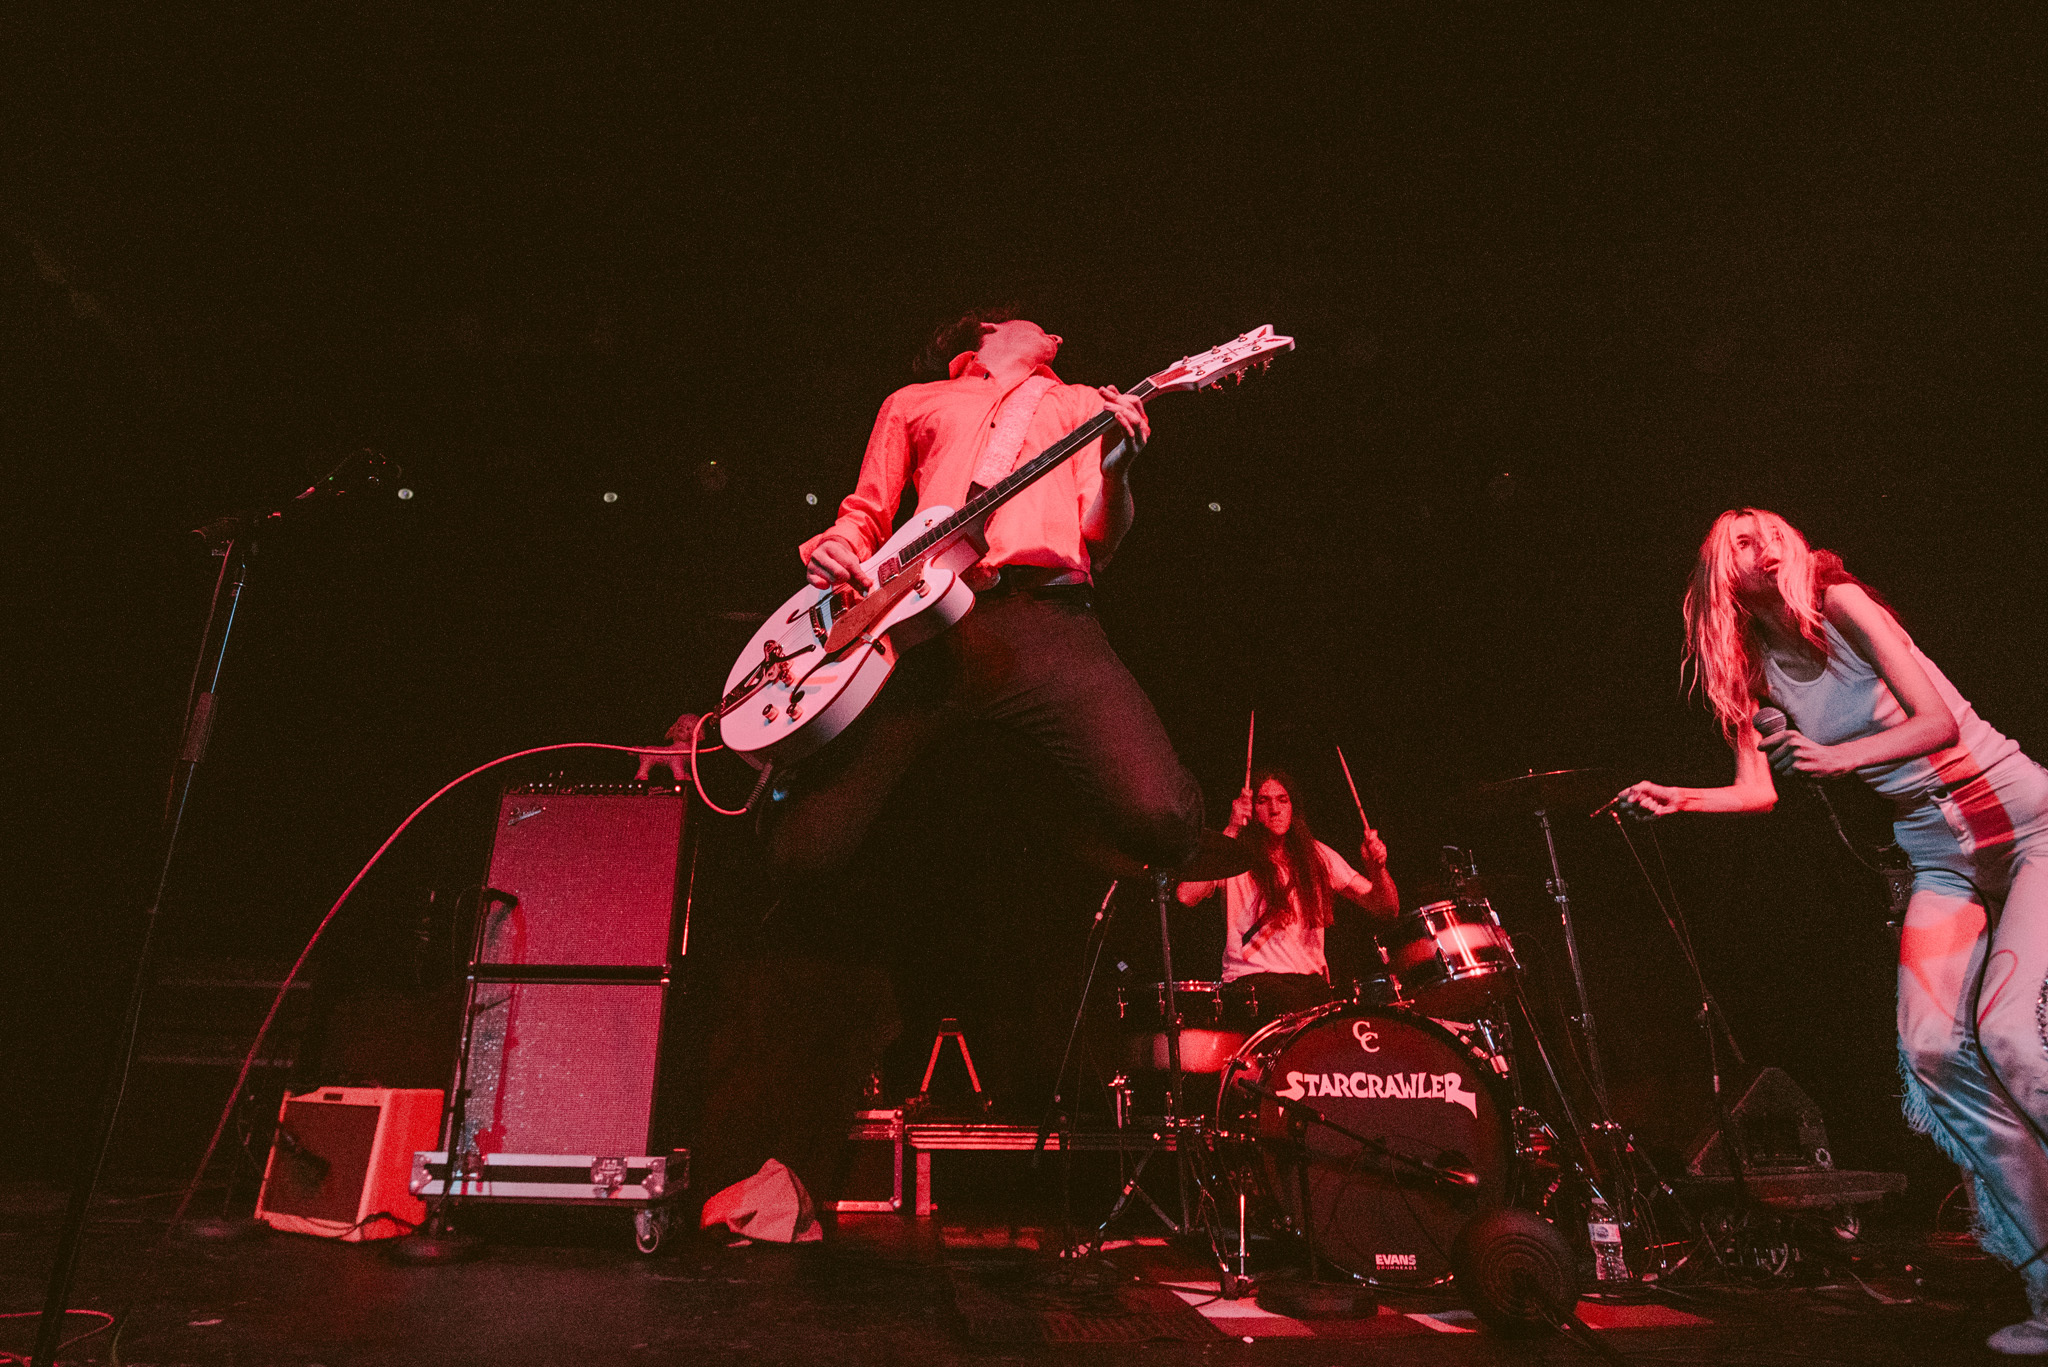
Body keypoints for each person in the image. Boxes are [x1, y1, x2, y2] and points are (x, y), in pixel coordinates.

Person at [693, 308, 1206, 1214]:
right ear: (986, 330)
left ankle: (1029, 844)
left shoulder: (1084, 404)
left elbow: (1103, 532)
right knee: (805, 851)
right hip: (922, 625)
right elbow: (863, 519)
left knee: (1164, 815)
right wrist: (836, 550)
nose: (1057, 331)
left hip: (1042, 616)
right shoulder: (916, 401)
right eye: (1037, 320)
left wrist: (1119, 467)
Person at [1610, 508, 2048, 1356]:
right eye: (1742, 540)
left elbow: (1936, 720)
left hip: (2025, 822)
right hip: (1939, 853)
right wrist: (1679, 796)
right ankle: (2046, 1282)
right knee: (1932, 1050)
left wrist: (1840, 758)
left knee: (2011, 1034)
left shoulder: (1842, 605)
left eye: (1772, 529)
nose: (1765, 543)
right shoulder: (1755, 670)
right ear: (1720, 573)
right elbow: (1759, 790)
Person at [1176, 769, 1400, 1021]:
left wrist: (1377, 869)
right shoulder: (1234, 854)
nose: (1275, 809)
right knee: (1291, 1003)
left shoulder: (1316, 855)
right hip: (1253, 984)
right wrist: (1231, 828)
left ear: (1293, 807)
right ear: (1251, 809)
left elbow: (1386, 908)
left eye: (1283, 800)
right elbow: (1186, 895)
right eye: (1263, 801)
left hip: (1310, 985)